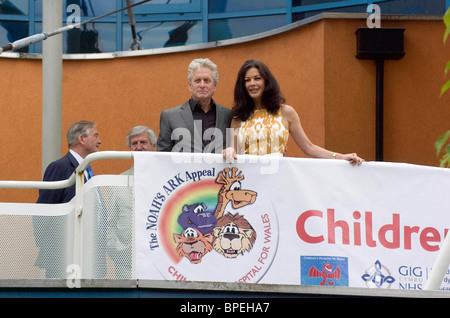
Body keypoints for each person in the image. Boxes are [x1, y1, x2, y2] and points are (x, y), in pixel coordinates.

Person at [222, 59, 364, 165]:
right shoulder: (238, 117)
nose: (252, 83)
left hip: (278, 177)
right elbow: (233, 153)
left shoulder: (286, 112)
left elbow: (309, 148)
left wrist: (342, 157)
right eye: (247, 80)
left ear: (266, 82)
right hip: (250, 180)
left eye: (257, 78)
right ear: (243, 86)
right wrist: (229, 150)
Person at [34, 120, 101, 278]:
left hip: (88, 253)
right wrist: (51, 248)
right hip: (65, 255)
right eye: (95, 136)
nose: (100, 141)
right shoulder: (60, 167)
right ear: (81, 139)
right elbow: (43, 210)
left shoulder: (86, 168)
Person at [107, 125, 156, 278]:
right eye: (134, 144)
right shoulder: (118, 181)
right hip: (125, 263)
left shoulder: (164, 180)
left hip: (158, 261)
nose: (139, 147)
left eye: (143, 142)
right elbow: (109, 223)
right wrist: (117, 251)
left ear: (154, 147)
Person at [157, 58, 231, 153]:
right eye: (197, 81)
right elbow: (162, 157)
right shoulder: (169, 117)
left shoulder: (228, 116)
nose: (202, 85)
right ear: (190, 86)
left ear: (215, 86)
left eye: (207, 80)